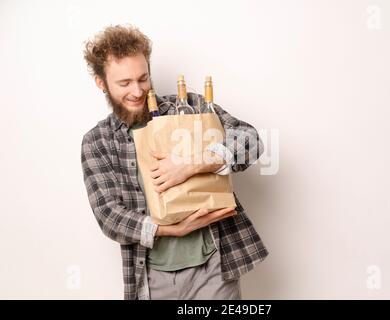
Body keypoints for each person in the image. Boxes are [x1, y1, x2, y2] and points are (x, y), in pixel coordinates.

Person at [81, 24, 268, 300]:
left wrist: (193, 163)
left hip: (213, 267)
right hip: (150, 276)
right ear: (101, 82)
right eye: (124, 83)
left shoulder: (189, 108)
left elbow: (250, 139)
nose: (137, 91)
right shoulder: (97, 142)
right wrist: (173, 229)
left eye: (143, 78)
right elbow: (109, 215)